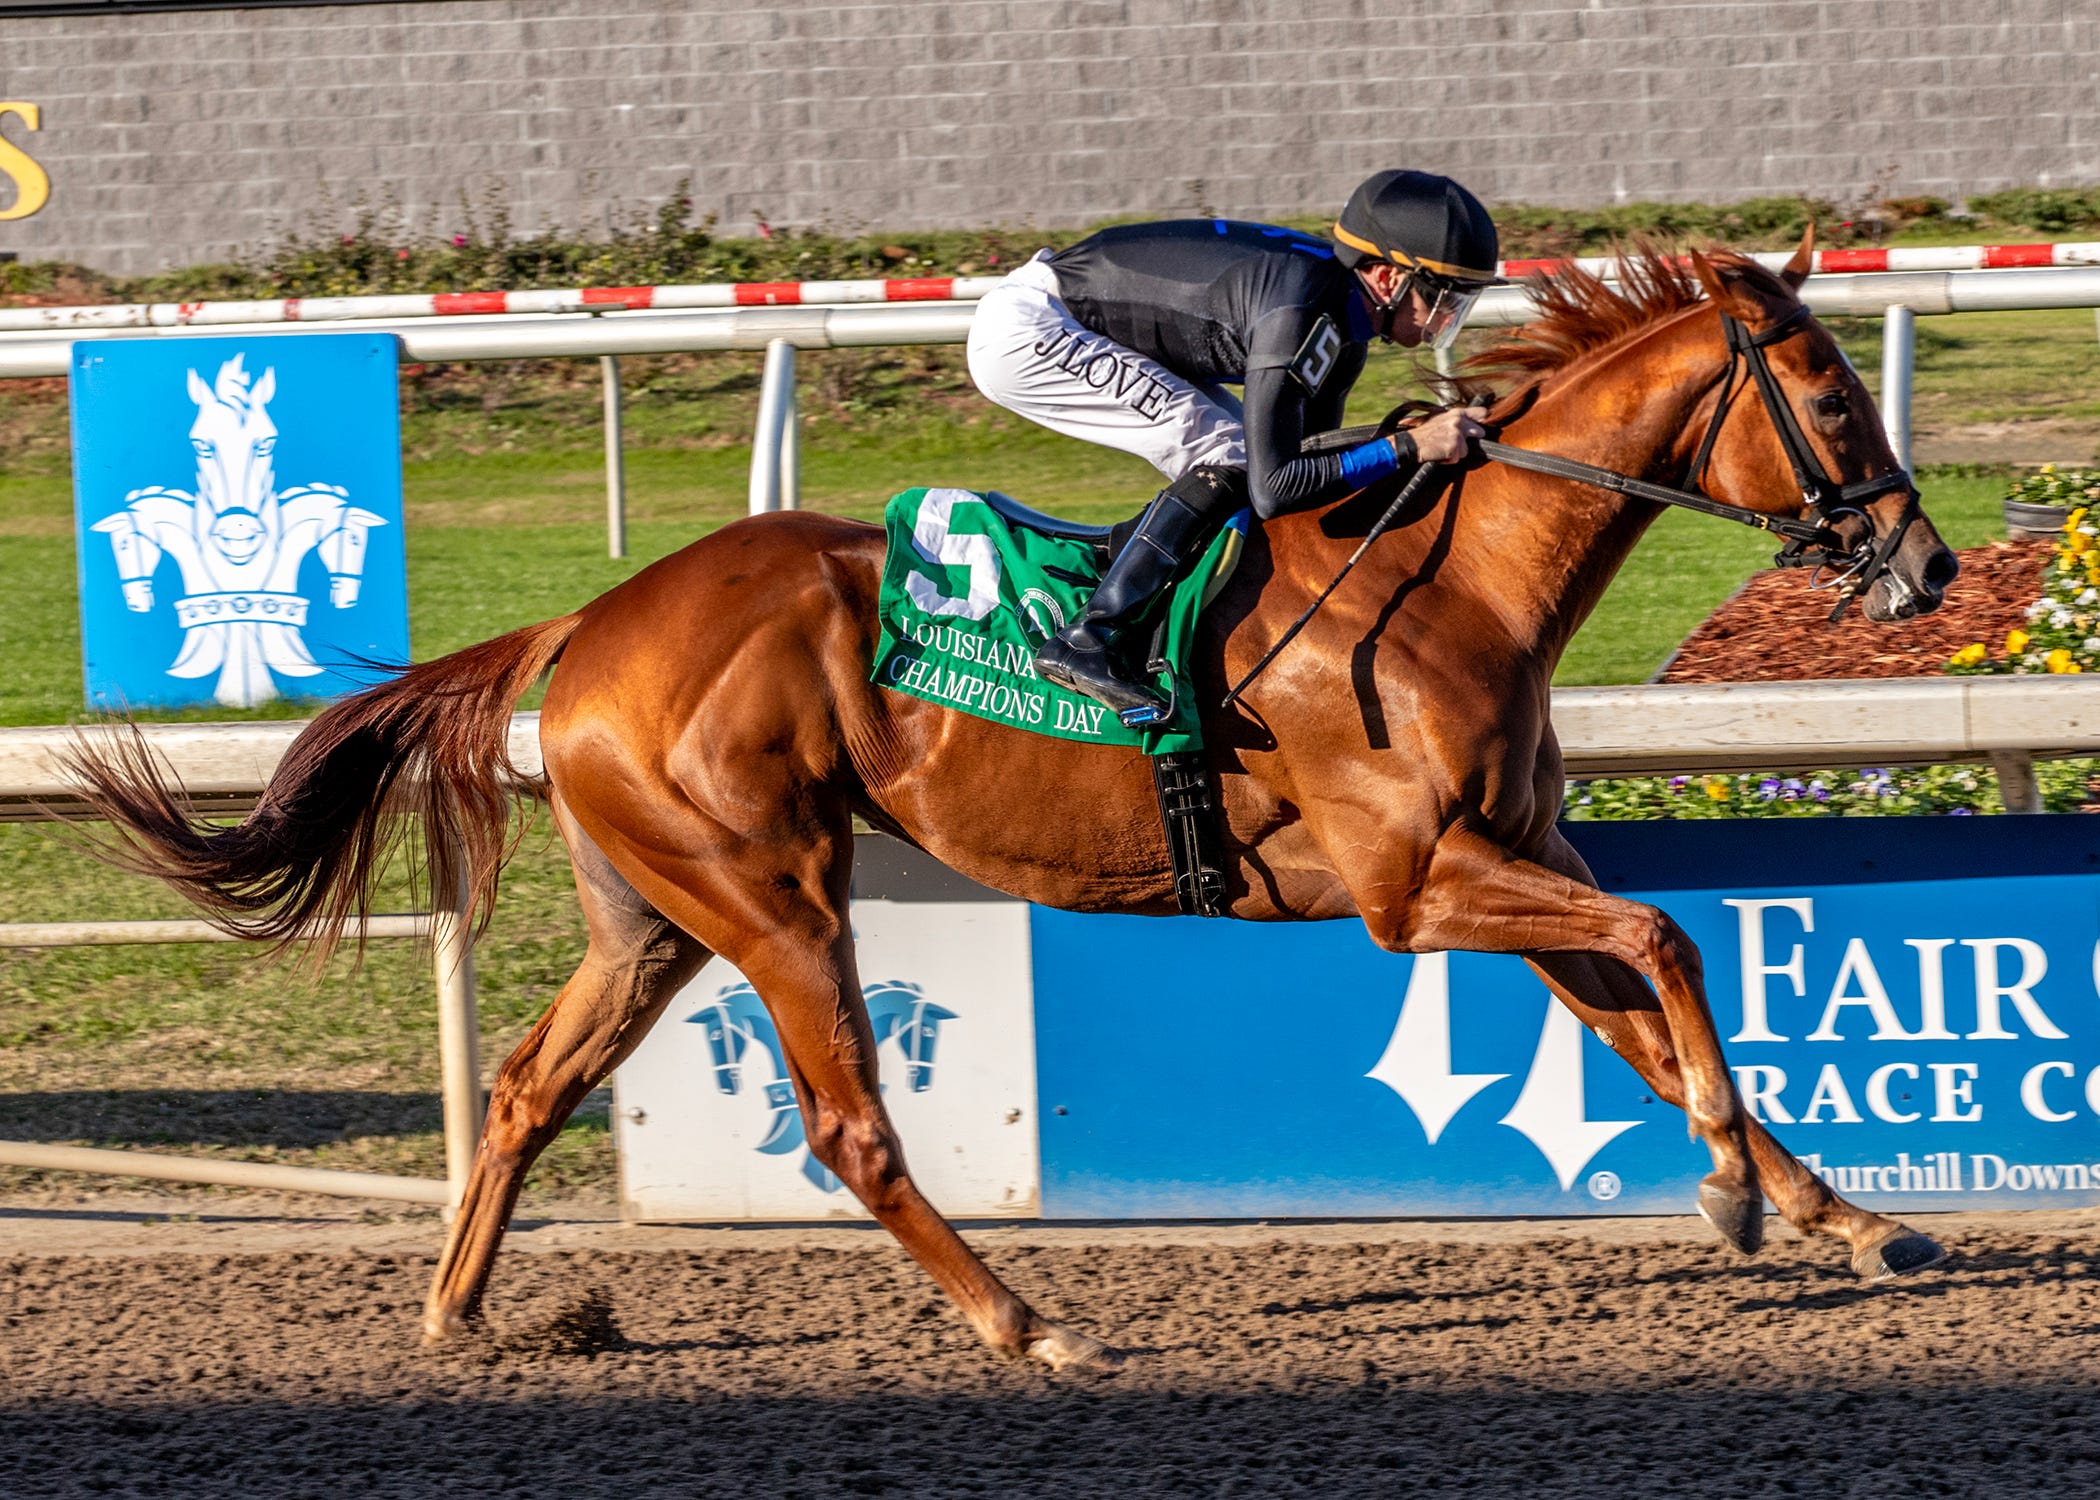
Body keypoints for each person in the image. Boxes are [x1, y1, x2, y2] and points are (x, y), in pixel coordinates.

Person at [966, 169, 1500, 726]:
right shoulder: (1303, 314)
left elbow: (1309, 465)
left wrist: (1404, 448)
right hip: (1032, 329)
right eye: (1440, 295)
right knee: (1228, 452)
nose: (1444, 316)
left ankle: (1137, 582)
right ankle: (1089, 637)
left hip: (1073, 314)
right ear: (1387, 278)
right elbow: (1276, 487)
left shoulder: (1344, 327)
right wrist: (1408, 447)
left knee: (1237, 456)